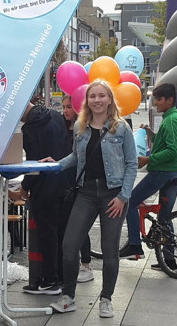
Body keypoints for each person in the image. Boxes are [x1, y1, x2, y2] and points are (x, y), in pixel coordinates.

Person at [46, 80, 137, 318]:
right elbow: (76, 157)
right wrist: (55, 164)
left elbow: (131, 164)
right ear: (87, 101)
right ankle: (68, 296)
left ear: (109, 99)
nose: (97, 100)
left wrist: (123, 196)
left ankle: (106, 299)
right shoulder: (81, 126)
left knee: (109, 250)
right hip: (86, 192)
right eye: (92, 96)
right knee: (69, 245)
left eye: (101, 96)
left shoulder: (122, 128)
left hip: (112, 194)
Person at [120, 83, 177, 273]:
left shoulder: (170, 121)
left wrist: (149, 159)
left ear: (169, 100)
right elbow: (169, 141)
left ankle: (134, 244)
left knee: (130, 202)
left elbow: (172, 150)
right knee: (164, 217)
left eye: (158, 99)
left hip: (163, 172)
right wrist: (151, 133)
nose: (155, 103)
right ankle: (169, 261)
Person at [9, 101, 69, 295]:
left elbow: (34, 165)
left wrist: (25, 188)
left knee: (47, 235)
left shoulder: (30, 129)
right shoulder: (57, 115)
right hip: (65, 182)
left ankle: (49, 281)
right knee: (60, 233)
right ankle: (61, 276)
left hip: (45, 188)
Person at [61, 95, 94, 283]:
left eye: (69, 107)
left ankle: (86, 264)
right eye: (64, 107)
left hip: (81, 182)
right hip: (69, 182)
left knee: (81, 225)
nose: (65, 110)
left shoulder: (83, 129)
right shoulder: (65, 128)